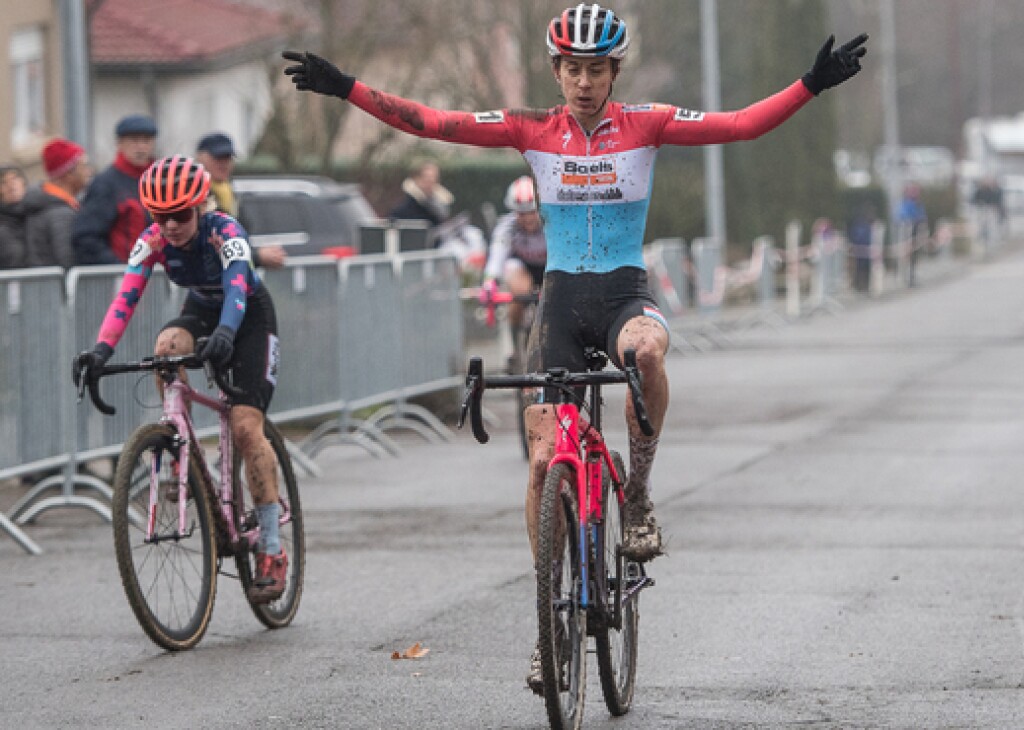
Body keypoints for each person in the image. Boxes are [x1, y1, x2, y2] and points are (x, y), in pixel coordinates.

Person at [285, 3, 867, 690]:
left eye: (596, 69)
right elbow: (435, 123)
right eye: (572, 69)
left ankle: (640, 493)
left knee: (647, 351)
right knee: (541, 466)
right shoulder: (531, 129)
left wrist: (810, 83)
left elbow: (738, 125)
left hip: (622, 293)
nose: (584, 82)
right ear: (556, 70)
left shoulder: (646, 124)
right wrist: (348, 86)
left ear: (613, 71)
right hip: (560, 303)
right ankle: (547, 623)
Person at [71, 155, 287, 603]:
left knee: (247, 428)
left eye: (179, 215)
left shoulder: (225, 232)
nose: (169, 226)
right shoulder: (152, 240)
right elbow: (125, 297)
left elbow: (236, 289)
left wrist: (227, 332)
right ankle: (178, 455)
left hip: (247, 316)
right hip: (203, 311)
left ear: (200, 206)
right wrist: (101, 351)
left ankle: (271, 548)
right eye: (160, 216)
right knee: (166, 347)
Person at [73, 114, 158, 265]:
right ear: (119, 143)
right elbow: (87, 237)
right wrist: (119, 269)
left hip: (158, 275)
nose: (141, 147)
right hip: (122, 277)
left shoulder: (161, 180)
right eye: (134, 141)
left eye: (146, 140)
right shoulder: (105, 184)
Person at [196, 132, 287, 269]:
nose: (224, 164)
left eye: (228, 158)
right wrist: (258, 257)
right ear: (201, 158)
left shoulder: (229, 192)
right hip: (209, 284)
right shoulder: (195, 197)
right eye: (218, 158)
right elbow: (209, 248)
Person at [483, 175, 547, 332]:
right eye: (521, 213)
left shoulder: (552, 224)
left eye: (532, 212)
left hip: (548, 266)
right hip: (522, 266)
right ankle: (514, 340)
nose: (528, 219)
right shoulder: (507, 226)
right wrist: (490, 280)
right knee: (520, 291)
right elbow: (498, 253)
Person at [22, 138, 92, 269]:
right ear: (69, 174)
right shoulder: (61, 213)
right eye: (83, 166)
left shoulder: (46, 204)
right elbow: (67, 261)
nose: (88, 171)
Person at [390, 161, 450, 227]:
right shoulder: (403, 210)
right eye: (427, 177)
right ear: (417, 179)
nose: (430, 181)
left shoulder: (441, 208)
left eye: (433, 178)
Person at [896, 183, 927, 286]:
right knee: (906, 256)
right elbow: (902, 216)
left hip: (915, 233)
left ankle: (911, 276)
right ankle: (905, 277)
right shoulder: (906, 204)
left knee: (914, 256)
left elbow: (922, 217)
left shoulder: (918, 205)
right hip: (907, 234)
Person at [0, 166, 28, 269]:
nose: (10, 185)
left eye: (14, 178)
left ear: (23, 183)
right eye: (3, 182)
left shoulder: (35, 216)